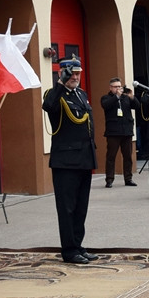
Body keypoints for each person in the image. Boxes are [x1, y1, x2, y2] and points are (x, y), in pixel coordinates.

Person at [43, 56, 98, 263]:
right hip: (66, 161)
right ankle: (69, 250)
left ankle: (78, 245)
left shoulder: (81, 94)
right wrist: (60, 83)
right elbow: (48, 106)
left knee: (81, 207)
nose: (75, 77)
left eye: (78, 73)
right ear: (62, 73)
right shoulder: (55, 95)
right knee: (67, 209)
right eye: (71, 73)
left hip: (84, 158)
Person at [100, 77, 137, 188]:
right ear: (111, 87)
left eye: (119, 86)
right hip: (113, 132)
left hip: (126, 131)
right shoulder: (106, 98)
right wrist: (117, 96)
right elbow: (106, 106)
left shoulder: (125, 98)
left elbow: (137, 106)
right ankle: (109, 179)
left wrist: (132, 97)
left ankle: (128, 178)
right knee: (111, 156)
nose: (118, 89)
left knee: (128, 157)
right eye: (116, 87)